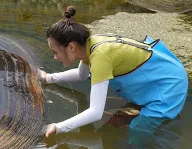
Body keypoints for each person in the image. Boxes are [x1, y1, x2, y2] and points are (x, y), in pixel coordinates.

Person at [40, 6, 188, 139]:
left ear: (71, 47)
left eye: (55, 52)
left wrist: (58, 127)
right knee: (116, 124)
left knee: (137, 134)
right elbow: (81, 75)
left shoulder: (100, 56)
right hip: (162, 70)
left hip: (169, 84)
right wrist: (48, 78)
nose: (54, 57)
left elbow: (95, 112)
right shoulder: (88, 45)